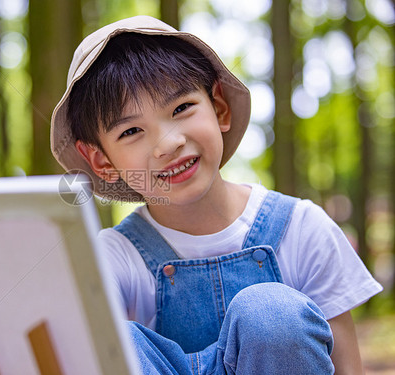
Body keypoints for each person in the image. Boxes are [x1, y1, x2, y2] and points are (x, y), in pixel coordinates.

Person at [50, 15, 383, 374]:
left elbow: (349, 369)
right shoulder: (114, 257)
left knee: (271, 314)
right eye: (132, 131)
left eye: (181, 109)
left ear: (219, 108)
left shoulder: (301, 229)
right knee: (113, 339)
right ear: (101, 161)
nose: (169, 143)